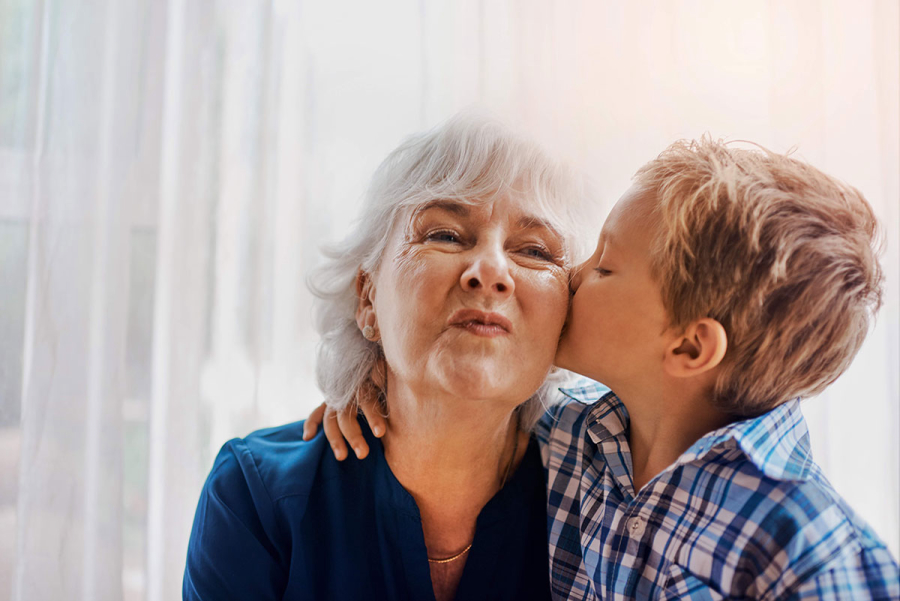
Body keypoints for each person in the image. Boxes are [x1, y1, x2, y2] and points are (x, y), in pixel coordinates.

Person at [313, 138, 900, 599]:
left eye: (604, 266)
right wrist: (376, 381)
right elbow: (466, 401)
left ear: (690, 349)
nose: (571, 275)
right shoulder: (577, 436)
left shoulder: (808, 546)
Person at [182, 112, 593, 601]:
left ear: (565, 321)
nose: (490, 270)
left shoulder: (599, 505)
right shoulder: (256, 497)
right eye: (445, 235)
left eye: (534, 251)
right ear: (368, 299)